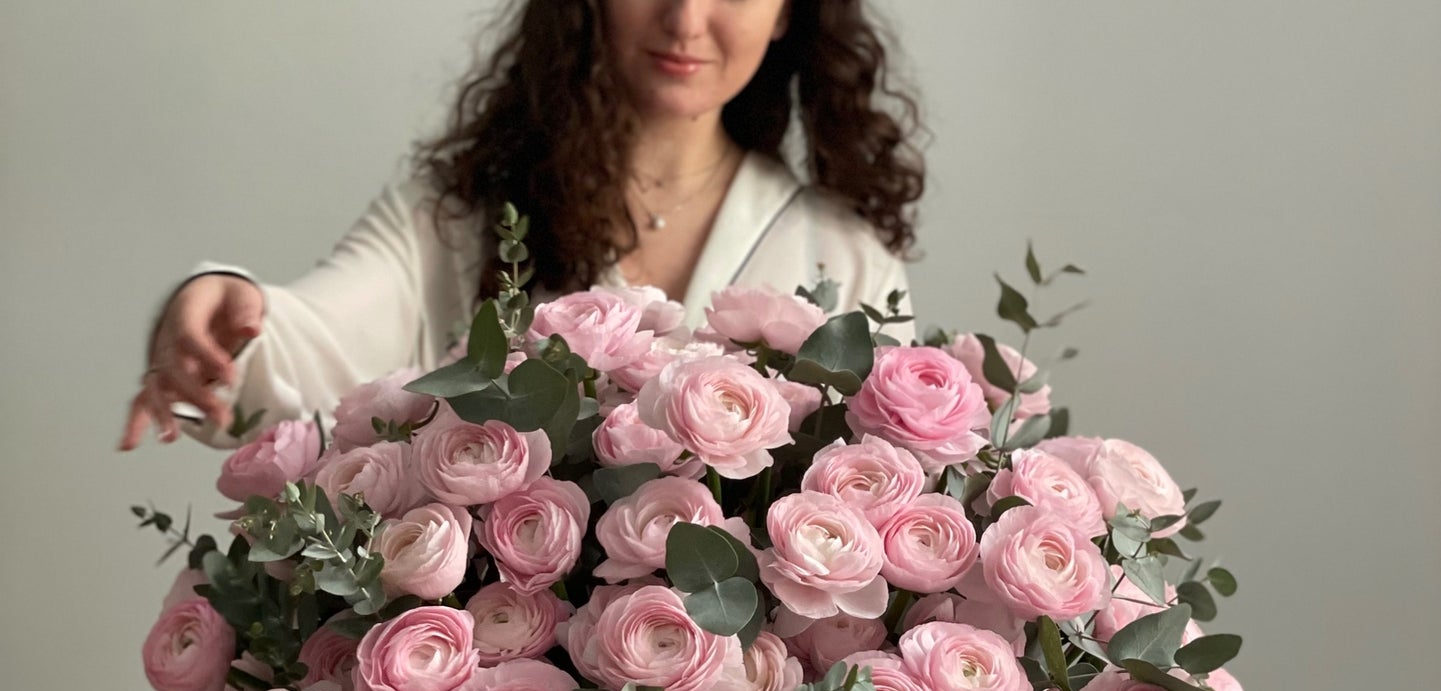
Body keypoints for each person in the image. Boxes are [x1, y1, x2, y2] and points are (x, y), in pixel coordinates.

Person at [116, 0, 925, 453]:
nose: (685, 20)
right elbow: (312, 332)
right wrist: (218, 302)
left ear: (789, 13)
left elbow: (880, 489)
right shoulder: (464, 213)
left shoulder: (845, 255)